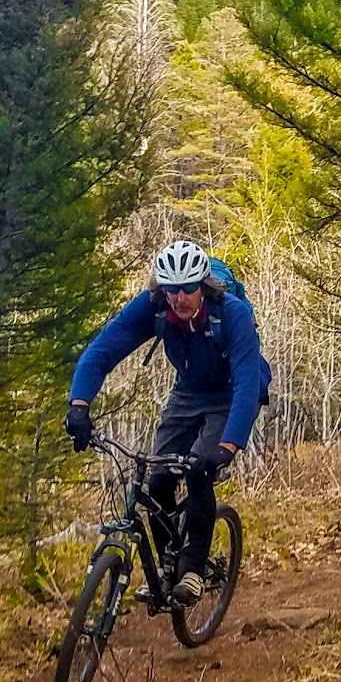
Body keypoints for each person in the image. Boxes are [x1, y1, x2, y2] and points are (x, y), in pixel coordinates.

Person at [64, 240, 270, 602]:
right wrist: (79, 405)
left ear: (203, 285)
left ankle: (192, 571)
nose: (180, 297)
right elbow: (102, 351)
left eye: (188, 287)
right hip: (188, 391)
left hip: (233, 392)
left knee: (198, 469)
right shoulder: (155, 307)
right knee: (158, 480)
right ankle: (167, 566)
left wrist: (228, 445)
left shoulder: (230, 313)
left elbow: (247, 381)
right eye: (172, 289)